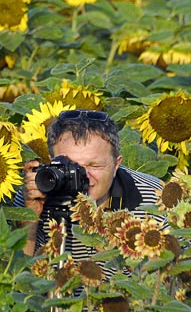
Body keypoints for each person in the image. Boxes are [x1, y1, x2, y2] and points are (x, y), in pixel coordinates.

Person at [13, 109, 165, 280]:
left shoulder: (156, 197)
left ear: (116, 164)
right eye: (70, 166)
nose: (82, 176)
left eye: (95, 166)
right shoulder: (35, 195)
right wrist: (29, 219)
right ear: (51, 161)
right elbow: (19, 283)